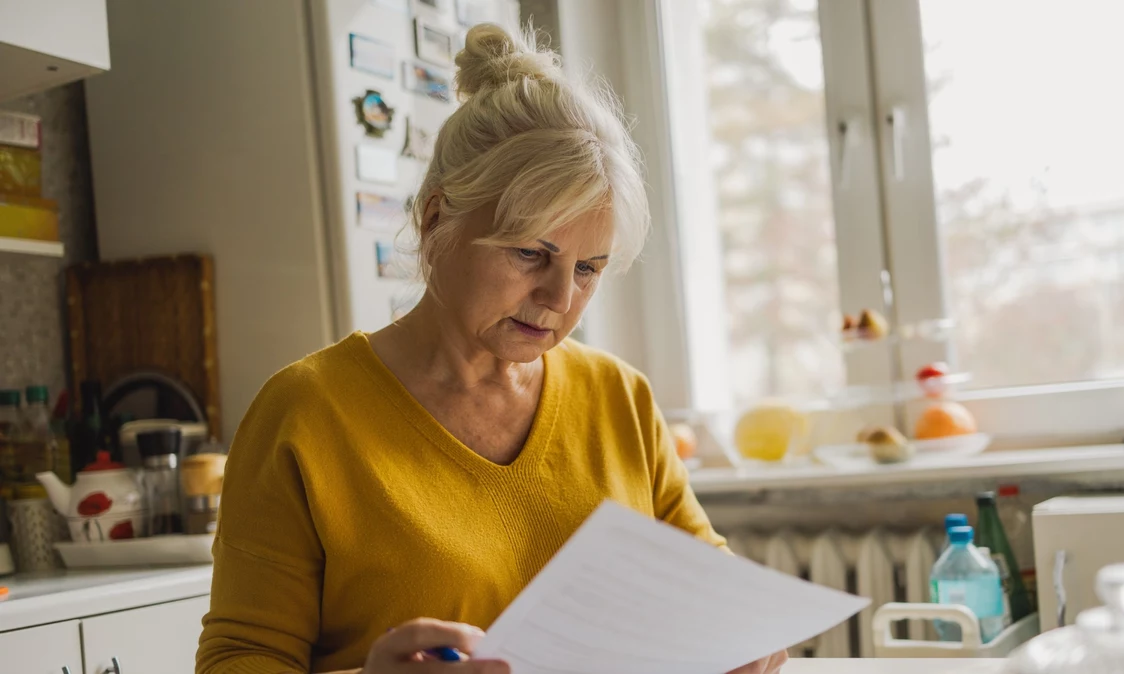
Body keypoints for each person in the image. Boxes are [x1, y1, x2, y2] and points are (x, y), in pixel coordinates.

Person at [195, 23, 788, 674]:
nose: (561, 298)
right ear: (435, 220)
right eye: (531, 253)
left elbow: (712, 592)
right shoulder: (305, 415)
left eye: (588, 268)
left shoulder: (620, 397)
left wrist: (742, 641)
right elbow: (238, 659)